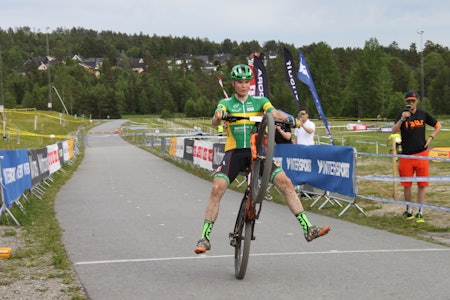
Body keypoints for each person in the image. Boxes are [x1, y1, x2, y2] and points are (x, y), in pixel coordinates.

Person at [194, 64, 330, 254]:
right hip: (235, 152)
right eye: (240, 82)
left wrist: (289, 119)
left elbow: (274, 113)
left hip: (257, 151)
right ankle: (205, 237)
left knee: (286, 183)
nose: (243, 86)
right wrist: (220, 116)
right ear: (233, 84)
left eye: (246, 82)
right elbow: (216, 119)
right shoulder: (226, 103)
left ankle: (308, 228)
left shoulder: (260, 101)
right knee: (217, 188)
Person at [391, 91, 441, 223]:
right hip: (406, 155)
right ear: (405, 103)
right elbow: (393, 130)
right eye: (408, 101)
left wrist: (430, 138)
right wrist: (402, 119)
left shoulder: (422, 114)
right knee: (406, 185)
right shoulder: (401, 115)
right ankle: (409, 210)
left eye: (413, 101)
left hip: (422, 154)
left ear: (417, 101)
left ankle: (420, 211)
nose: (410, 104)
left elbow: (438, 125)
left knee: (422, 184)